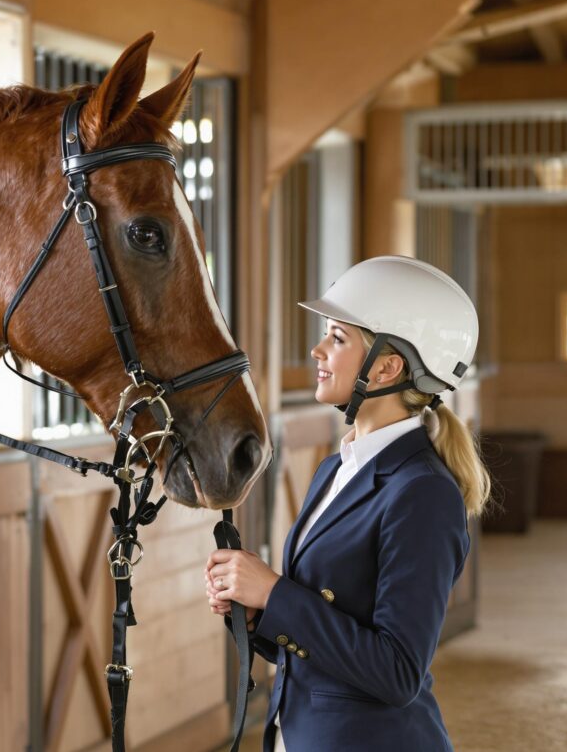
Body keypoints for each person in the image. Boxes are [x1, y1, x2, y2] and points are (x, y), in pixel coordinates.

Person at [204, 255, 491, 752]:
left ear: (387, 366)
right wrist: (257, 614)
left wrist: (274, 593)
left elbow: (398, 672)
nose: (317, 350)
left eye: (337, 338)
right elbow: (325, 639)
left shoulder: (423, 493)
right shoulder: (335, 470)